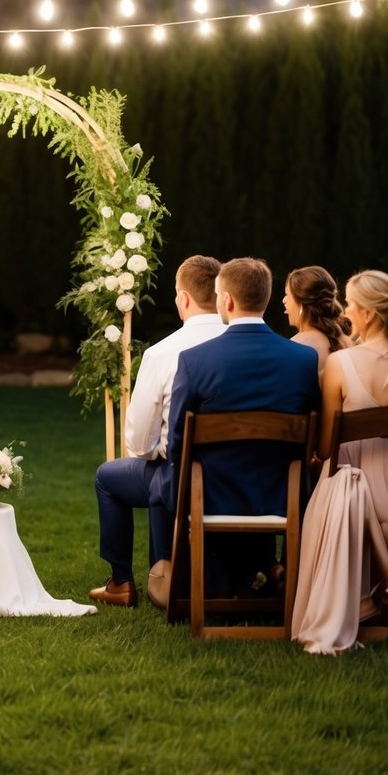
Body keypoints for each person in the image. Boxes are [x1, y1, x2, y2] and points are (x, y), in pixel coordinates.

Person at [159, 257, 321, 595]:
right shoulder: (303, 360)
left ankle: (195, 584)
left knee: (161, 483)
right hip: (284, 496)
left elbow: (177, 439)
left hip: (212, 497)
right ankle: (259, 574)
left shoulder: (195, 360)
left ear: (228, 300)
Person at [90, 255, 223, 608]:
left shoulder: (164, 352)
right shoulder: (245, 346)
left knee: (108, 476)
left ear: (183, 298)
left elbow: (138, 441)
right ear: (225, 296)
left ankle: (121, 582)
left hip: (178, 476)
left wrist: (151, 453)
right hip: (241, 474)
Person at [292, 269, 388, 654]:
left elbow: (328, 448)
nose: (345, 312)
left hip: (360, 500)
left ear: (367, 314)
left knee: (332, 477)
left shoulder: (341, 364)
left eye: (350, 304)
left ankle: (356, 599)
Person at [283, 265, 351, 375]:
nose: (284, 300)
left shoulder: (296, 346)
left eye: (287, 294)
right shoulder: (346, 341)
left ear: (301, 304)